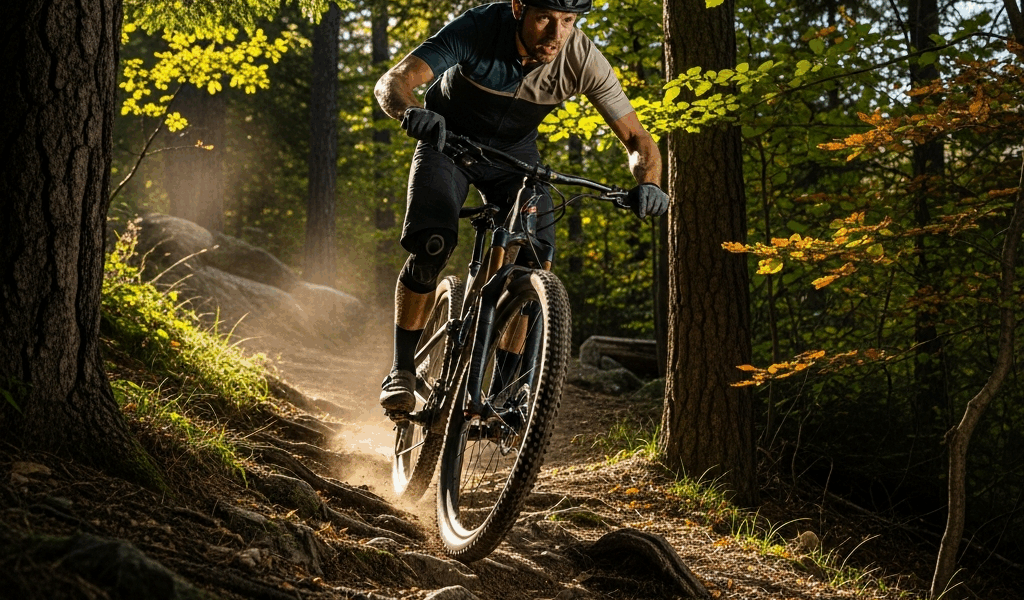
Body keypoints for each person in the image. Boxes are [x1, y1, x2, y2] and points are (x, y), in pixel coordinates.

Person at [373, 0, 668, 415]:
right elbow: (395, 81)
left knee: (535, 260)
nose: (556, 34)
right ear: (518, 8)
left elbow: (638, 139)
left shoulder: (582, 58)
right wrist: (411, 111)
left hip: (514, 157)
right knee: (432, 242)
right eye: (545, 17)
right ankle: (401, 371)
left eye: (568, 21)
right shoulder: (477, 28)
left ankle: (502, 393)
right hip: (448, 142)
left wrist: (649, 183)